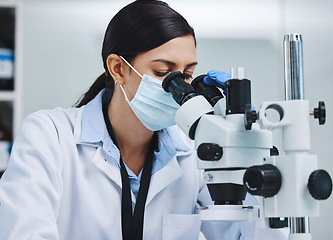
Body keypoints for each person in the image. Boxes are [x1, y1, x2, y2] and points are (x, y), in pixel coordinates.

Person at [0, 1, 288, 239]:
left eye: (186, 76)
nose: (179, 88)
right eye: (164, 73)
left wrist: (246, 149)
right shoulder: (50, 135)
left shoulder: (193, 152)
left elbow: (243, 234)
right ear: (117, 69)